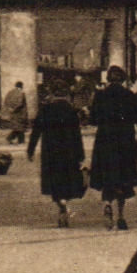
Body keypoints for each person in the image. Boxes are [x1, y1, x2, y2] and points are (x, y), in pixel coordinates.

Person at [88, 65, 137, 230]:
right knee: (123, 178)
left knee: (106, 175)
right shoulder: (129, 95)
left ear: (108, 79)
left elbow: (93, 120)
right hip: (124, 141)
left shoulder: (101, 95)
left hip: (105, 140)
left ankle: (106, 203)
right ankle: (121, 215)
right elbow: (136, 118)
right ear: (123, 79)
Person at [27, 80, 87, 227]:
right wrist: (81, 155)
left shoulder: (45, 110)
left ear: (52, 93)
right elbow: (77, 135)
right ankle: (64, 202)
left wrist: (31, 150)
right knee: (66, 180)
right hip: (69, 151)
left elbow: (36, 132)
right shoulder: (71, 110)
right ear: (66, 93)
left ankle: (61, 205)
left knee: (54, 181)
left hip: (50, 151)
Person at [2, 81, 30, 146]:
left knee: (17, 127)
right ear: (21, 86)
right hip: (20, 113)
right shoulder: (21, 93)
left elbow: (6, 101)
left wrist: (10, 108)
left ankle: (14, 140)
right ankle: (19, 141)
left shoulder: (10, 92)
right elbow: (20, 103)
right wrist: (15, 109)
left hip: (12, 113)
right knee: (20, 127)